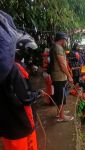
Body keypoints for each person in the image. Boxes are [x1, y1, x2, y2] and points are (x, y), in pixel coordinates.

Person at [0, 11, 41, 150]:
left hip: (8, 126)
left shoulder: (4, 67)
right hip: (21, 124)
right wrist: (36, 94)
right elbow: (25, 97)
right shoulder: (14, 68)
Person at [50, 32, 74, 122]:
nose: (65, 42)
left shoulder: (54, 47)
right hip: (59, 77)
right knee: (61, 97)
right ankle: (62, 116)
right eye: (65, 40)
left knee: (59, 96)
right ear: (62, 39)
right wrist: (69, 76)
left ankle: (59, 113)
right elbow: (62, 64)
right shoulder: (58, 48)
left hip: (57, 76)